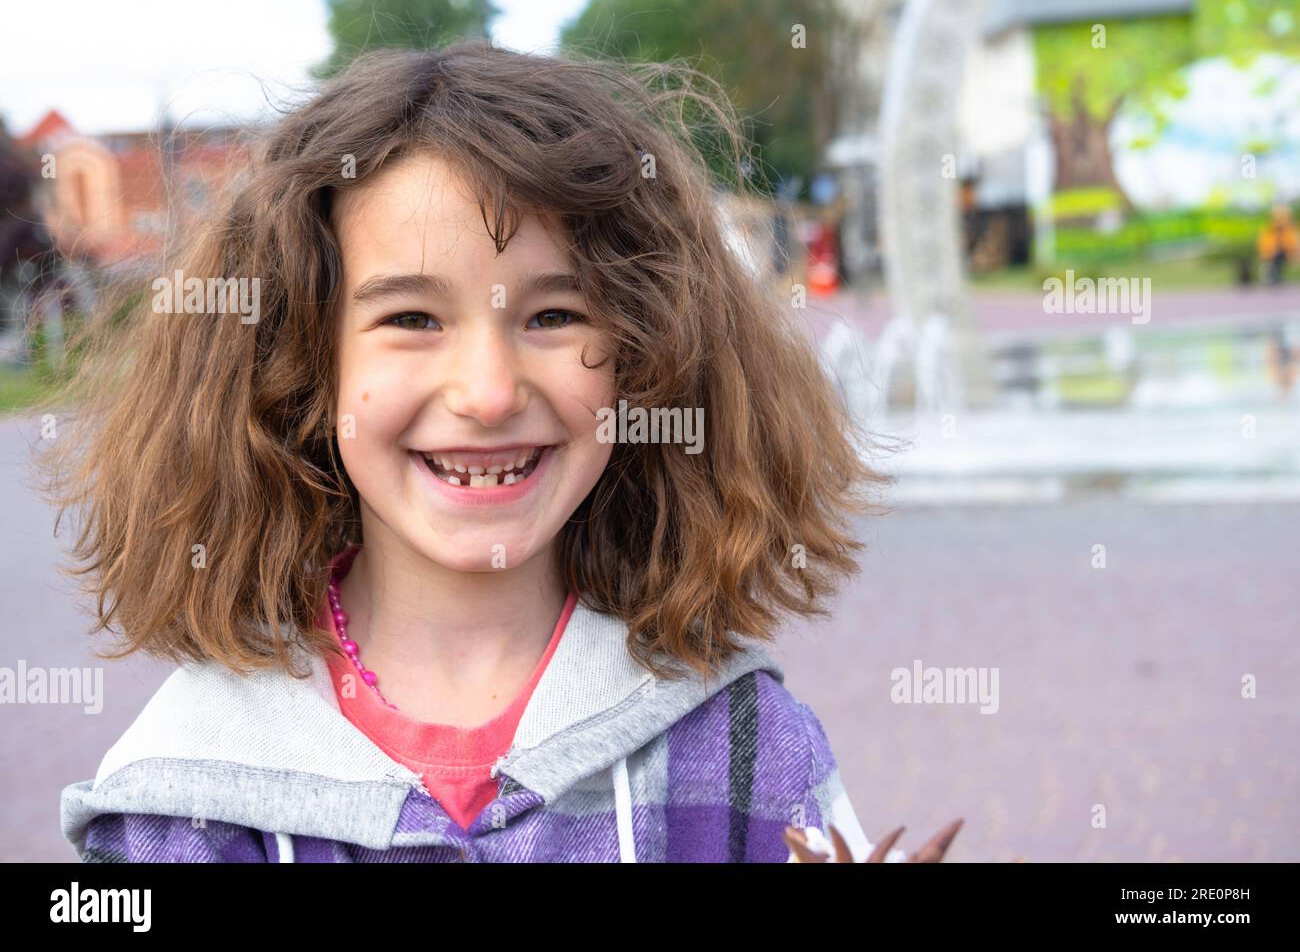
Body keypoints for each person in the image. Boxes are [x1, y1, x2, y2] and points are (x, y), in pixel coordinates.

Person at [46, 42, 950, 862]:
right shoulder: (183, 798)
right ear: (298, 363)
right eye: (411, 318)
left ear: (651, 354)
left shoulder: (746, 747)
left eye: (553, 315)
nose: (487, 391)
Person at [1257, 203, 1299, 286]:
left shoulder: (1291, 230)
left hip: (1289, 253)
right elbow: (1264, 246)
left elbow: (1294, 244)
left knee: (1276, 258)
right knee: (1272, 261)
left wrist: (1292, 252)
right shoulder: (1269, 230)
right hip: (1274, 255)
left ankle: (1274, 277)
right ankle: (1273, 278)